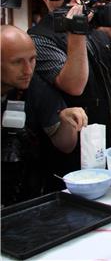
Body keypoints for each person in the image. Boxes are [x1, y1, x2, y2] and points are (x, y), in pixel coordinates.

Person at [28, 0, 111, 175]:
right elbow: (74, 86)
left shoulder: (94, 22)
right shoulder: (38, 38)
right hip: (79, 146)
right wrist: (76, 34)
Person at [1, 25, 88, 206]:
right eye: (17, 62)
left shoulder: (36, 88)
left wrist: (66, 122)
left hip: (26, 194)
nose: (28, 70)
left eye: (32, 60)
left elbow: (65, 145)